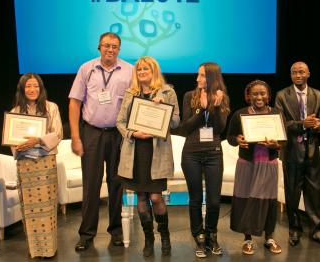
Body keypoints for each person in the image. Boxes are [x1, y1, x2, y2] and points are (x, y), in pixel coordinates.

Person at [68, 32, 133, 251]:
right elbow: (75, 103)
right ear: (99, 47)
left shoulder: (129, 71)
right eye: (106, 46)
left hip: (117, 134)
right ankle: (86, 234)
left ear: (119, 49)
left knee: (116, 184)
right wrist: (76, 138)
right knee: (91, 186)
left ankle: (116, 231)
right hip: (92, 133)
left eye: (115, 46)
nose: (110, 50)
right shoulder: (86, 69)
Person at [116, 56, 180, 257]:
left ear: (154, 71)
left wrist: (163, 109)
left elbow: (176, 122)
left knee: (156, 197)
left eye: (146, 68)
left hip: (157, 153)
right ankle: (148, 240)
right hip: (135, 152)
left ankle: (165, 235)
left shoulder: (167, 92)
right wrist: (133, 133)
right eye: (139, 69)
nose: (142, 72)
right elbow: (120, 121)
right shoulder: (130, 93)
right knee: (141, 198)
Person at [274, 61, 320, 247]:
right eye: (294, 73)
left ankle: (317, 230)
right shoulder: (282, 95)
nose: (297, 75)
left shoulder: (318, 95)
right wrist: (302, 124)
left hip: (312, 151)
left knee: (314, 192)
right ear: (291, 76)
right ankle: (294, 229)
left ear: (308, 74)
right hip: (291, 151)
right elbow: (280, 123)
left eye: (301, 72)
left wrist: (318, 125)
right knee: (292, 193)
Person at [8, 73, 63, 258]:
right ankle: (35, 250)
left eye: (36, 86)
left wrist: (38, 140)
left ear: (41, 89)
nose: (32, 90)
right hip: (25, 164)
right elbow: (11, 139)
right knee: (30, 208)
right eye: (28, 87)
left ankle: (49, 249)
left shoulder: (51, 107)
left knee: (47, 207)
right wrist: (17, 144)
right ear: (22, 90)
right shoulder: (15, 111)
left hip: (45, 163)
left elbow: (58, 133)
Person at [179, 62, 230, 258]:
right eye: (198, 75)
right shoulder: (189, 97)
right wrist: (202, 110)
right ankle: (199, 236)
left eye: (201, 76)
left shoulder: (222, 98)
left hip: (213, 153)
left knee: (214, 201)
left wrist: (215, 108)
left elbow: (219, 129)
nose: (197, 79)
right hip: (191, 153)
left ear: (211, 77)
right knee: (195, 198)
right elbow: (186, 127)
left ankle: (211, 234)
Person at [226, 80, 282, 255]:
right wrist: (238, 140)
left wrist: (276, 144)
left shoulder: (276, 114)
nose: (259, 97)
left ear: (268, 96)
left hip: (269, 164)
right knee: (246, 200)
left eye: (263, 93)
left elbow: (283, 141)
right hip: (247, 165)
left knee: (269, 201)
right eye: (255, 94)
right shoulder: (239, 114)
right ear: (248, 96)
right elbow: (230, 137)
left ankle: (269, 238)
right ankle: (247, 239)